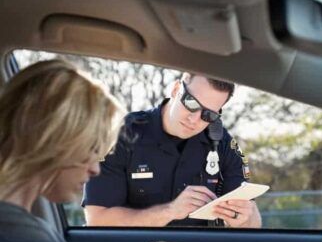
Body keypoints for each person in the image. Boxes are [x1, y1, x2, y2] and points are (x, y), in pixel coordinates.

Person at [83, 72, 262, 228]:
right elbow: (97, 219)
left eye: (209, 115)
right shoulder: (120, 135)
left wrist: (245, 219)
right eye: (191, 103)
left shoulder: (222, 143)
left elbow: (253, 222)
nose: (194, 119)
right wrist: (169, 211)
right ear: (176, 90)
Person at [0, 60, 125, 242]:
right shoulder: (26, 241)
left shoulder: (25, 230)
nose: (95, 169)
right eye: (91, 148)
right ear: (54, 137)